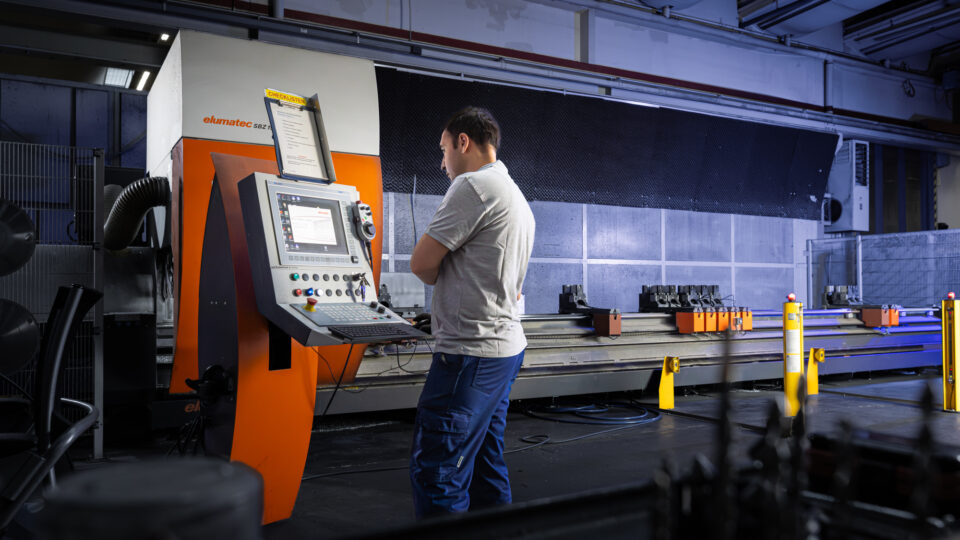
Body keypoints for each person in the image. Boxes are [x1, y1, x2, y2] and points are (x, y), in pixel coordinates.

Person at [408, 106, 535, 518]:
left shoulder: (473, 186)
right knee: (483, 462)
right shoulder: (515, 194)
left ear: (464, 141)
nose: (442, 162)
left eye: (444, 150)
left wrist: (442, 279)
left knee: (439, 473)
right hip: (504, 351)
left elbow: (422, 264)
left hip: (469, 355)